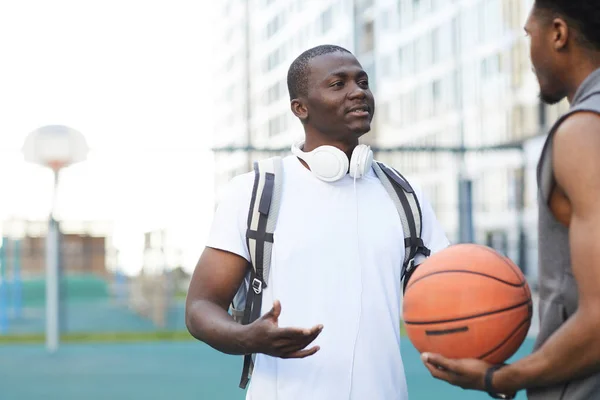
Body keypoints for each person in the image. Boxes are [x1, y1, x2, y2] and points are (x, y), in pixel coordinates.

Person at [185, 44, 450, 400]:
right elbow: (201, 307)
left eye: (362, 81)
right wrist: (249, 337)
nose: (358, 91)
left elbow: (448, 298)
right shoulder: (256, 191)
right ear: (300, 108)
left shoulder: (405, 196)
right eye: (338, 84)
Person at [421, 1, 600, 399]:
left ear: (558, 33)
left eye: (528, 35)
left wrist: (497, 378)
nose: (529, 53)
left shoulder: (584, 131)